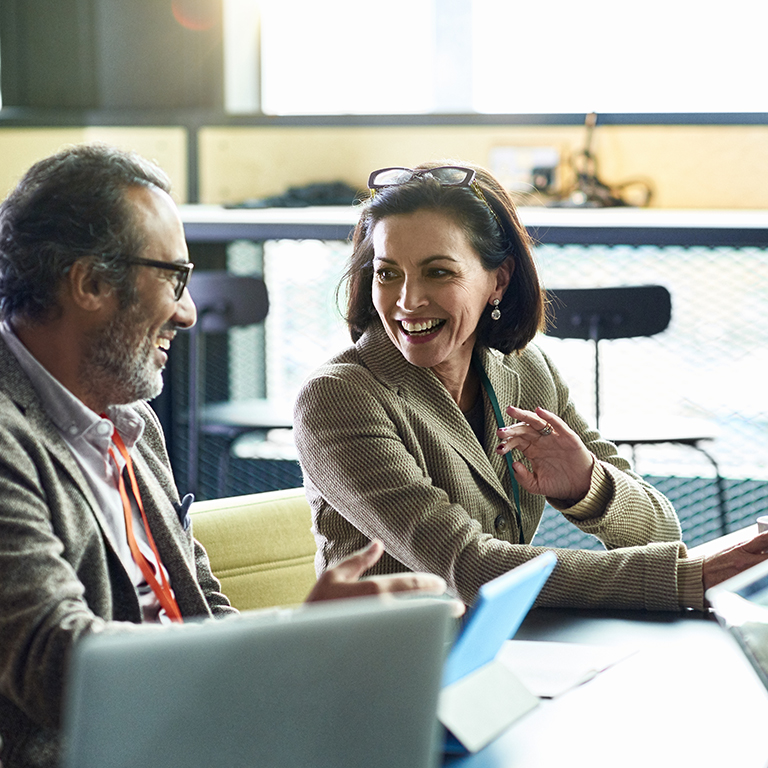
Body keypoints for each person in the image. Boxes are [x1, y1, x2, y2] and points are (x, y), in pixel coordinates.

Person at [0, 145, 447, 768]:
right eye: (174, 278)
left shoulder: (130, 421)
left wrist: (304, 658)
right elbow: (58, 665)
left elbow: (201, 611)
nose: (187, 312)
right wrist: (297, 642)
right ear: (90, 283)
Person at [294, 161, 768, 612]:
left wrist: (588, 484)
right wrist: (687, 579)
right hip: (384, 671)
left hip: (504, 652)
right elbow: (469, 569)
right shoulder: (339, 397)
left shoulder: (527, 370)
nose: (407, 300)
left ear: (497, 281)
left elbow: (661, 530)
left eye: (438, 272)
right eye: (387, 272)